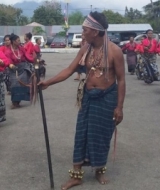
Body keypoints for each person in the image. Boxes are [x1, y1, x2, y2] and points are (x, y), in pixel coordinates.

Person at [38, 12, 126, 189]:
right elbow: (70, 70)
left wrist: (119, 107)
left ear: (95, 31)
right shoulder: (85, 48)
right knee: (82, 134)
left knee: (101, 136)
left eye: (85, 29)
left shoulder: (115, 51)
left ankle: (99, 170)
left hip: (107, 99)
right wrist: (48, 82)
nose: (82, 32)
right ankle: (76, 175)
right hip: (88, 97)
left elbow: (121, 80)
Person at [5, 33, 34, 109]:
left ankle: (18, 101)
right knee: (15, 85)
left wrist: (34, 60)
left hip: (22, 68)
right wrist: (11, 65)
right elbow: (8, 60)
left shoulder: (21, 48)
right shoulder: (8, 51)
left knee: (23, 84)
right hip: (13, 70)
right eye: (18, 40)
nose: (20, 41)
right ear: (14, 41)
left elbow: (27, 56)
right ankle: (14, 102)